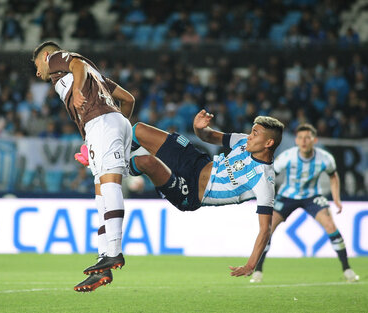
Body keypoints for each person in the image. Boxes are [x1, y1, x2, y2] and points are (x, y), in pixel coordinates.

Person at [129, 110, 284, 277]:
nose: (250, 136)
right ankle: (110, 158)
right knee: (138, 130)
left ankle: (114, 170)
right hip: (194, 161)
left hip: (190, 193)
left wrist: (250, 265)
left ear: (268, 143)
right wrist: (199, 128)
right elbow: (209, 136)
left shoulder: (264, 181)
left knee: (146, 162)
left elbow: (265, 229)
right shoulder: (242, 141)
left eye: (255, 133)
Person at [32, 41, 135, 292]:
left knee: (109, 185)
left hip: (101, 122)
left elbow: (76, 64)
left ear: (45, 56)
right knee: (100, 194)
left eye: (36, 65)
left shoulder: (56, 58)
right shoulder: (98, 77)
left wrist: (78, 91)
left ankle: (114, 252)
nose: (37, 72)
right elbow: (128, 99)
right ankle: (104, 261)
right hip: (107, 124)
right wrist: (116, 129)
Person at [250, 123, 360, 283]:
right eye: (300, 138)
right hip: (287, 196)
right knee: (267, 229)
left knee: (330, 226)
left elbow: (333, 176)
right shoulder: (288, 156)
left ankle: (347, 269)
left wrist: (336, 198)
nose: (303, 141)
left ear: (314, 140)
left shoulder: (325, 158)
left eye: (307, 138)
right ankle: (258, 271)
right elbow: (270, 174)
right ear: (296, 140)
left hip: (312, 196)